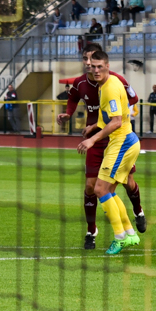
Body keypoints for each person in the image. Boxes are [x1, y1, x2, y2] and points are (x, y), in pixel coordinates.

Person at [58, 42, 146, 249]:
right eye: (86, 60)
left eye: (95, 61)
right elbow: (74, 99)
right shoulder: (87, 84)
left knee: (118, 185)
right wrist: (85, 122)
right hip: (104, 137)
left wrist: (98, 132)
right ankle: (99, 231)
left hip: (118, 140)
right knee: (96, 187)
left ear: (105, 64)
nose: (90, 65)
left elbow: (125, 109)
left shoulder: (113, 84)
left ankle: (132, 220)